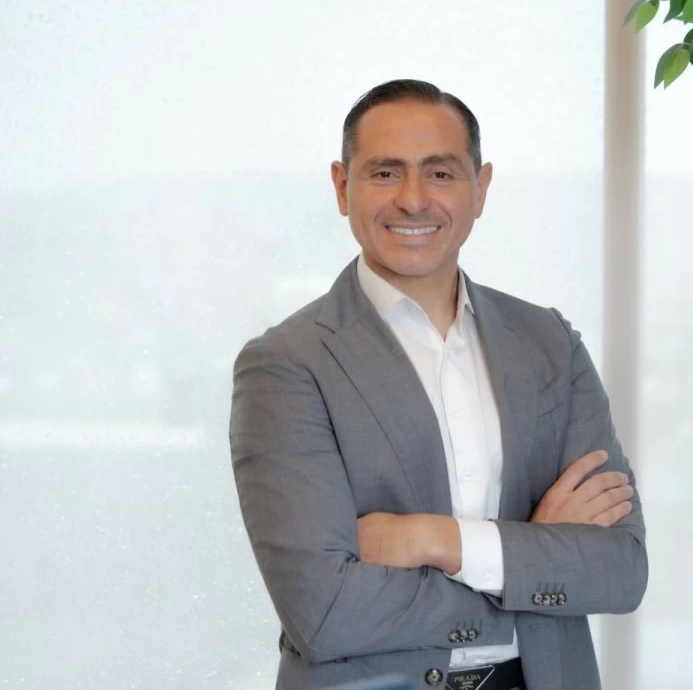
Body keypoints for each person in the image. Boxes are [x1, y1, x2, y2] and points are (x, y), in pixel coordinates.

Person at [229, 79, 648, 690]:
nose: (413, 200)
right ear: (342, 187)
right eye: (385, 173)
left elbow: (620, 571)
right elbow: (324, 611)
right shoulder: (286, 365)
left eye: (441, 174)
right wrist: (533, 560)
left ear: (480, 188)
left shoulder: (550, 344)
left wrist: (433, 539)